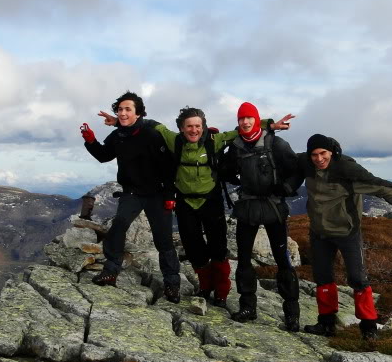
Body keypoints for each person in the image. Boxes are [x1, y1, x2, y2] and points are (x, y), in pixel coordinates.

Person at [98, 105, 294, 309]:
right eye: (189, 126)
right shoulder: (174, 140)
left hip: (211, 200)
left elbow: (243, 129)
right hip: (185, 202)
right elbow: (150, 124)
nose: (194, 130)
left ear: (204, 126)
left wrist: (270, 125)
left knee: (218, 248)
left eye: (198, 126)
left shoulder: (214, 140)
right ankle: (205, 286)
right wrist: (120, 120)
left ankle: (221, 292)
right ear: (182, 128)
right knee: (193, 248)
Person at [294, 134, 392, 340]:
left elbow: (377, 186)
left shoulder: (345, 171)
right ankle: (326, 324)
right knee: (323, 278)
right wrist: (270, 127)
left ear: (331, 152)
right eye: (314, 155)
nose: (319, 158)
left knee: (357, 278)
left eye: (323, 153)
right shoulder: (307, 165)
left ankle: (369, 327)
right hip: (319, 233)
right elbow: (283, 156)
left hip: (347, 232)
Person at [81, 91, 182, 302]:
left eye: (128, 109)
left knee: (163, 240)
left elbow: (170, 165)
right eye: (120, 110)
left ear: (138, 113)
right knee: (119, 226)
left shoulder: (152, 133)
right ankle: (111, 270)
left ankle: (172, 284)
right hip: (132, 192)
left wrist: (170, 194)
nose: (123, 113)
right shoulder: (118, 135)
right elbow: (103, 156)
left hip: (157, 193)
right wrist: (90, 140)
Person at [219, 102, 301, 331]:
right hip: (248, 206)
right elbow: (225, 171)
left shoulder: (276, 144)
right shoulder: (235, 147)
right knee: (244, 259)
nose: (245, 122)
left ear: (256, 120)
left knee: (282, 259)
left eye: (249, 118)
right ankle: (248, 307)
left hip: (273, 206)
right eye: (241, 119)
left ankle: (292, 314)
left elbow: (296, 170)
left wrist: (286, 188)